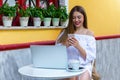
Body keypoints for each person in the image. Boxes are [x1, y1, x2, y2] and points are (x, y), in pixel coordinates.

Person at [56, 5, 99, 80]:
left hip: (84, 66)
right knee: (72, 78)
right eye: (73, 18)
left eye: (79, 17)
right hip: (68, 66)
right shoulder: (65, 32)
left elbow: (91, 57)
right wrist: (65, 45)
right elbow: (56, 51)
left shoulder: (89, 34)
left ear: (84, 18)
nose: (76, 20)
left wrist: (78, 46)